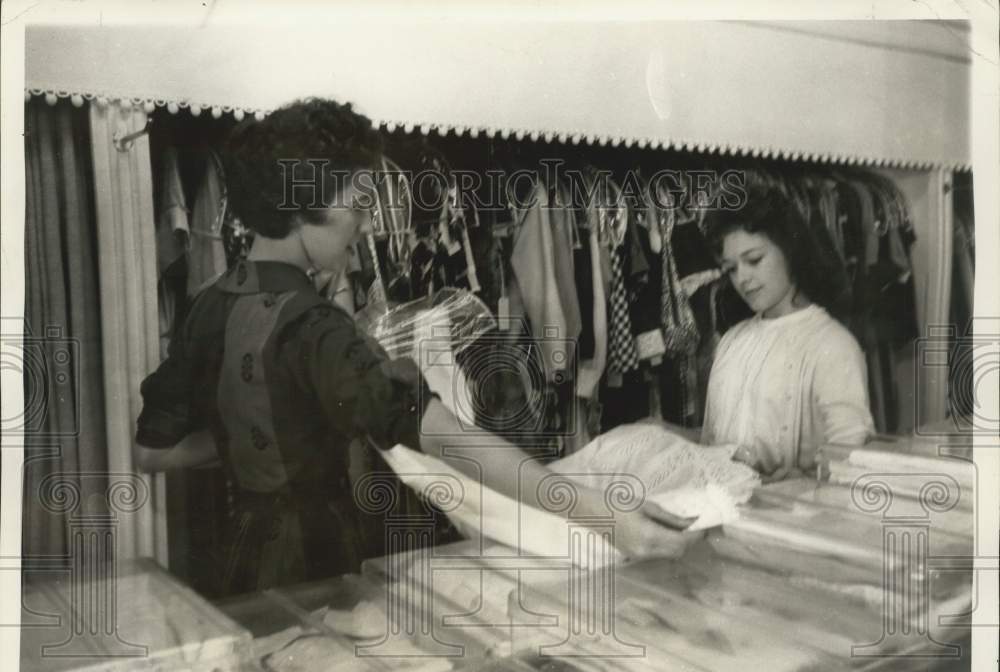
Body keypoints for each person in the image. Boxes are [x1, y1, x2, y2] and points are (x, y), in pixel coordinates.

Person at [133, 98, 690, 597]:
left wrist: (267, 434)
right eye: (358, 202)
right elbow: (451, 439)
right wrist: (605, 518)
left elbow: (151, 452)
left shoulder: (207, 306)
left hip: (238, 558)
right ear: (304, 204)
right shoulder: (318, 327)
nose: (367, 220)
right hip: (318, 561)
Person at [699, 188, 875, 480]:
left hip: (797, 516)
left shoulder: (833, 345)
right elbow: (713, 442)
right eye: (731, 269)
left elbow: (851, 460)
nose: (742, 278)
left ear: (790, 252)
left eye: (754, 260)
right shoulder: (731, 341)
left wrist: (804, 479)